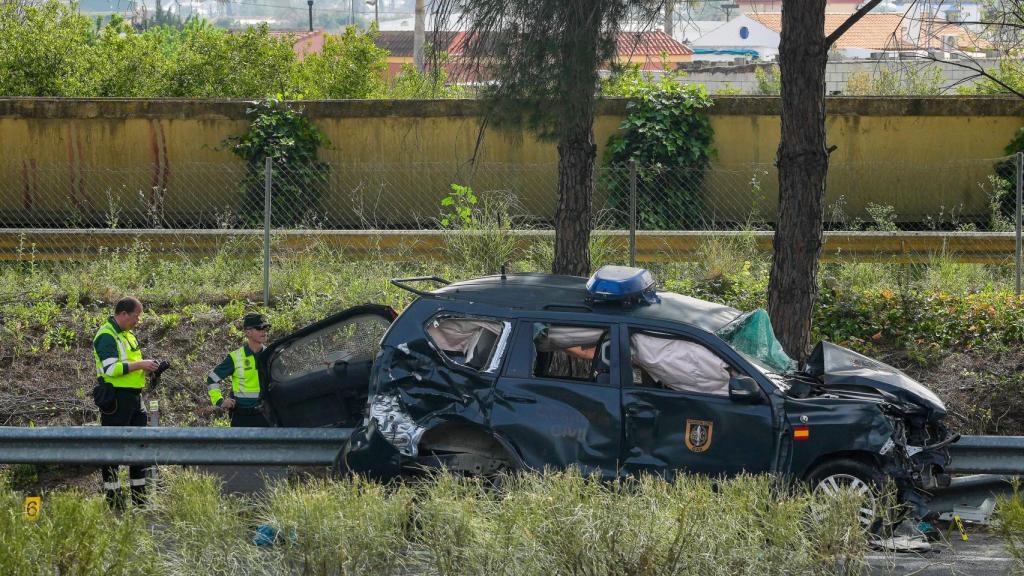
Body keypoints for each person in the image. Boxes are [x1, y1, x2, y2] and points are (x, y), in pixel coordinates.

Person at [92, 296, 160, 508]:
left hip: (133, 397)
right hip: (116, 399)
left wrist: (151, 368)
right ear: (123, 314)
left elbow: (130, 366)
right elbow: (111, 369)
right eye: (136, 316)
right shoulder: (106, 335)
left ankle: (140, 501)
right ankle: (114, 502)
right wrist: (141, 364)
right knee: (113, 450)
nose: (138, 320)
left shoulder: (127, 335)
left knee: (138, 449)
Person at [206, 312, 271, 427]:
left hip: (266, 416)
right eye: (260, 328)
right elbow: (212, 379)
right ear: (248, 332)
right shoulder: (235, 357)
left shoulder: (270, 355)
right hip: (241, 417)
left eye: (266, 328)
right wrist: (220, 401)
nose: (264, 331)